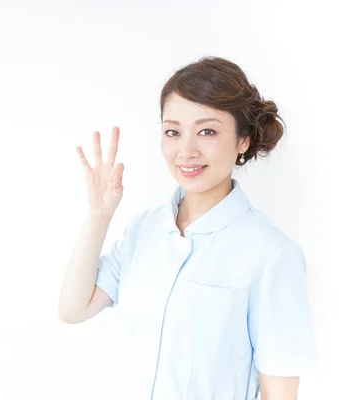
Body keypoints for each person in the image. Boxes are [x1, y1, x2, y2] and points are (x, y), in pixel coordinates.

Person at [58, 56, 318, 399]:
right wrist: (98, 215)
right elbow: (73, 309)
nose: (187, 150)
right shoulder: (143, 229)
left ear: (243, 140)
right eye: (173, 132)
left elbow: (280, 393)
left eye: (207, 131)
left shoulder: (273, 255)